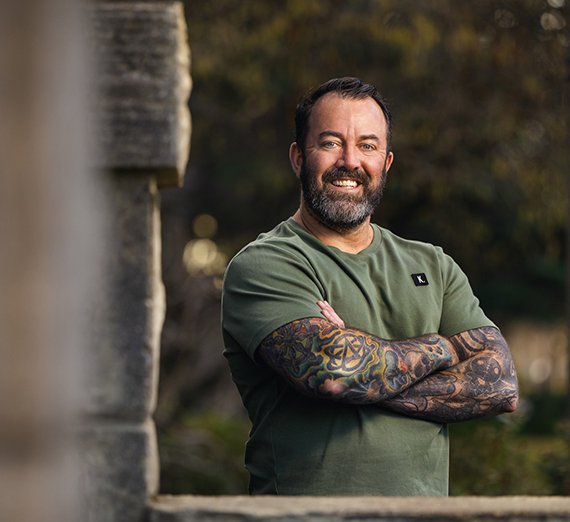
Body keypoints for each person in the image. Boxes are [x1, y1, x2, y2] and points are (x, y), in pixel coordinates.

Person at [221, 77, 518, 496]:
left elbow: (499, 385)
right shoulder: (265, 264)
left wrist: (364, 374)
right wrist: (445, 349)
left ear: (387, 162)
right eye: (329, 143)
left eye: (367, 145)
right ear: (297, 158)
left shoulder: (432, 263)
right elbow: (332, 371)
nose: (349, 161)